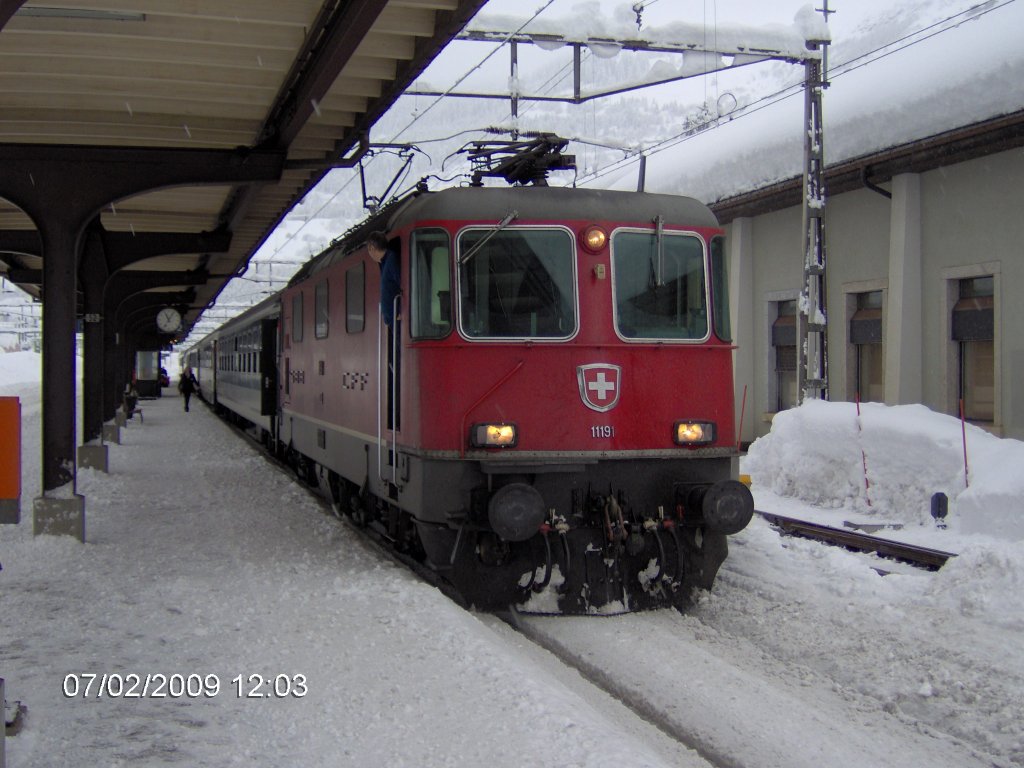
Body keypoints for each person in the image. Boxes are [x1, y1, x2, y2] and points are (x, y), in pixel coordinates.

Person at [366, 231, 400, 326]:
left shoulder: (391, 260)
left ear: (372, 248)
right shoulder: (384, 263)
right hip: (392, 320)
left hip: (397, 319)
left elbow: (403, 284)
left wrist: (401, 310)